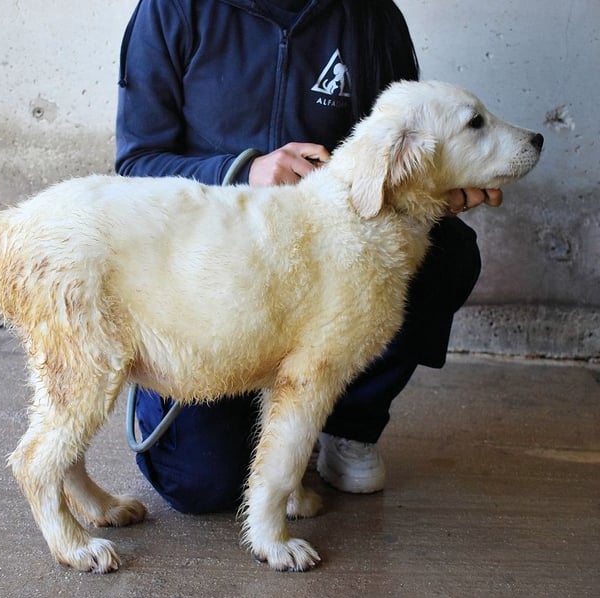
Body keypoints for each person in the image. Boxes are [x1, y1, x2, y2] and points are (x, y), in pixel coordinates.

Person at [114, 0, 501, 514]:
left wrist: (433, 195)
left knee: (447, 255)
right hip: (214, 289)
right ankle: (238, 409)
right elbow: (136, 165)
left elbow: (399, 158)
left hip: (325, 271)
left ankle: (349, 424)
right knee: (201, 484)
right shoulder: (173, 10)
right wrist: (243, 171)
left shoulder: (373, 17)